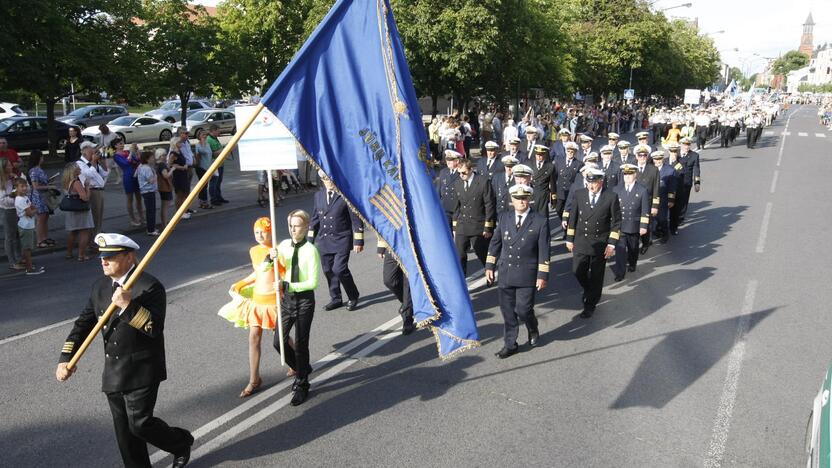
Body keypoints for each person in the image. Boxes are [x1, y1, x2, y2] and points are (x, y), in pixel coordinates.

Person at [55, 233, 194, 468]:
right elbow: (83, 325)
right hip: (114, 371)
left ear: (129, 257)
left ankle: (180, 443)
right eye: (102, 257)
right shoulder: (100, 288)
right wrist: (65, 357)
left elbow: (154, 328)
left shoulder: (149, 286)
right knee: (125, 434)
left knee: (139, 424)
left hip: (142, 368)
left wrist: (128, 306)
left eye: (110, 257)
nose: (103, 261)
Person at [219, 217, 295, 397]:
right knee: (254, 337)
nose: (260, 235)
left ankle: (297, 362)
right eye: (256, 232)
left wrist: (278, 260)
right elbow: (258, 272)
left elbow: (286, 273)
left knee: (282, 337)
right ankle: (254, 379)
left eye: (263, 231)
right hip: (258, 300)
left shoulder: (280, 251)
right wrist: (241, 282)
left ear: (271, 232)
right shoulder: (254, 251)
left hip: (275, 300)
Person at [485, 184, 549, 359]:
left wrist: (542, 275)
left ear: (529, 199)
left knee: (523, 309)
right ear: (511, 200)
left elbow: (544, 249)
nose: (521, 201)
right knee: (507, 311)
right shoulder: (504, 217)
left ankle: (532, 326)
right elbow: (495, 243)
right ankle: (510, 344)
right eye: (517, 198)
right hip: (506, 272)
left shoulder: (539, 221)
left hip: (527, 274)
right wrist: (490, 265)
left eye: (524, 198)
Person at [274, 209, 321, 406]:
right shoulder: (283, 245)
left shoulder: (310, 250)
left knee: (301, 344)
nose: (293, 229)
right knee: (278, 342)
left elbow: (313, 282)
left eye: (297, 225)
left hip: (304, 301)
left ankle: (302, 383)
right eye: (291, 225)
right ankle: (302, 368)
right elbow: (271, 268)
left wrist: (289, 285)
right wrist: (270, 259)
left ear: (306, 227)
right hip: (286, 301)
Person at [565, 168, 621, 318]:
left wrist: (611, 244)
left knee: (596, 275)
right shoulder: (579, 194)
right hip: (581, 240)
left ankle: (590, 304)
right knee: (577, 271)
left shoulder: (611, 197)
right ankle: (589, 290)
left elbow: (616, 223)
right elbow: (573, 218)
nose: (591, 186)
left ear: (600, 182)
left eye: (594, 183)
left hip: (600, 242)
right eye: (589, 182)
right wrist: (569, 239)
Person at [309, 171, 364, 311]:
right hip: (324, 240)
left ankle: (353, 296)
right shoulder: (318, 195)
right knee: (328, 270)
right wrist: (309, 240)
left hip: (341, 239)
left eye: (330, 178)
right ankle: (336, 298)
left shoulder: (345, 195)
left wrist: (358, 240)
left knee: (339, 269)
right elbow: (315, 219)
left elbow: (355, 219)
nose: (328, 181)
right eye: (324, 179)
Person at [452, 159, 496, 275]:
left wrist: (488, 227)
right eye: (459, 173)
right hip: (462, 224)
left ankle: (489, 271)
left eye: (464, 173)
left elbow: (489, 205)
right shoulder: (457, 183)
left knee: (482, 253)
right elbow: (457, 207)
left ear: (471, 170)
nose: (461, 175)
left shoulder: (482, 182)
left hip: (478, 225)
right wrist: (455, 228)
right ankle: (462, 280)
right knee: (459, 254)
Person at [611, 164, 649, 281]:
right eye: (625, 174)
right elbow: (612, 209)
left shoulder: (642, 190)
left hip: (633, 226)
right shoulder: (616, 189)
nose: (627, 176)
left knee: (633, 249)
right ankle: (620, 273)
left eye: (630, 174)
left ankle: (632, 263)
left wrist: (643, 226)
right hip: (620, 226)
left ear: (635, 175)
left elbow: (645, 210)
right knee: (620, 250)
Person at [377, 239, 415, 335]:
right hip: (392, 243)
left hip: (412, 244)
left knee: (408, 281)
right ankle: (409, 304)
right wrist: (381, 246)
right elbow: (386, 224)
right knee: (389, 281)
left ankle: (407, 316)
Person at [62, 163, 94, 261]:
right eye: (78, 168)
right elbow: (85, 198)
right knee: (84, 231)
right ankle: (81, 255)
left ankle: (69, 253)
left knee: (73, 232)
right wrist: (87, 187)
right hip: (80, 210)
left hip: (71, 210)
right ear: (74, 171)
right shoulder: (76, 182)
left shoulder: (66, 181)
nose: (80, 169)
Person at [77, 140, 108, 238]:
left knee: (99, 216)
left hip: (99, 191)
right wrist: (94, 161)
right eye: (92, 148)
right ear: (85, 150)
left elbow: (105, 173)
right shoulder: (80, 163)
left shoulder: (93, 162)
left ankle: (97, 236)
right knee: (94, 216)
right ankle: (93, 239)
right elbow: (88, 174)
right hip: (92, 192)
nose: (95, 150)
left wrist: (102, 161)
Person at [552, 141, 583, 235]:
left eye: (572, 151)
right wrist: (553, 191)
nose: (570, 153)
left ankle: (568, 231)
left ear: (575, 152)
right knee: (559, 210)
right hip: (560, 191)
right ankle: (565, 225)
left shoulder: (579, 164)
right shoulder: (559, 161)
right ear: (565, 151)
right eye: (568, 151)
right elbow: (554, 176)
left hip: (571, 193)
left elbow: (578, 180)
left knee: (570, 212)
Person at [633, 144, 659, 254]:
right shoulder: (631, 168)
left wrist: (655, 206)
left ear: (647, 156)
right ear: (636, 156)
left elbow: (656, 188)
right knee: (634, 223)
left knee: (646, 224)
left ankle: (645, 243)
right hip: (634, 202)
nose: (642, 157)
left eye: (644, 155)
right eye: (640, 155)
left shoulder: (653, 170)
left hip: (647, 202)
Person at [15, 178, 44, 275]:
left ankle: (29, 265)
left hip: (29, 225)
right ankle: (29, 268)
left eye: (25, 186)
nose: (24, 188)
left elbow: (32, 207)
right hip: (25, 226)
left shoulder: (25, 198)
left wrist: (33, 208)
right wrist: (35, 210)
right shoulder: (20, 200)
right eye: (21, 186)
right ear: (17, 188)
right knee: (27, 248)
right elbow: (30, 213)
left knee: (28, 247)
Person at [671, 137, 701, 233]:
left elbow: (696, 169)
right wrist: (674, 160)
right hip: (674, 181)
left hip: (685, 182)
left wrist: (697, 182)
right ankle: (673, 218)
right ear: (681, 145)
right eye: (684, 145)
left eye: (688, 145)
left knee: (683, 202)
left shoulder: (694, 155)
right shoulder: (675, 153)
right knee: (672, 201)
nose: (686, 147)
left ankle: (680, 218)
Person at [113, 140, 144, 227]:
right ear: (115, 146)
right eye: (120, 144)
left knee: (139, 197)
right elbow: (126, 163)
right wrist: (131, 153)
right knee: (130, 198)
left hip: (136, 175)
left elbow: (138, 160)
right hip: (128, 176)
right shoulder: (116, 155)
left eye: (122, 143)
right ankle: (132, 218)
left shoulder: (126, 152)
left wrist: (136, 151)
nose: (122, 145)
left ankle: (141, 216)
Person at [27, 150, 55, 248]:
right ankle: (39, 240)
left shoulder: (39, 169)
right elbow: (35, 186)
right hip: (38, 197)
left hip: (43, 196)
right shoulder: (34, 171)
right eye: (42, 157)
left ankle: (45, 237)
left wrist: (48, 182)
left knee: (45, 217)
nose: (43, 158)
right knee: (41, 219)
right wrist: (49, 187)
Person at [1, 159, 23, 270]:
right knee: (10, 236)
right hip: (7, 210)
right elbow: (2, 200)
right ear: (3, 168)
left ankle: (19, 258)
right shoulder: (1, 182)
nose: (11, 166)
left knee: (18, 235)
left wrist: (16, 181)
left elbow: (22, 187)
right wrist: (14, 196)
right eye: (9, 165)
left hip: (16, 209)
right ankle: (12, 262)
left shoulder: (12, 178)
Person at [652, 148, 677, 242]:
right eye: (655, 159)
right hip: (652, 199)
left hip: (663, 199)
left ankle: (665, 235)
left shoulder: (670, 170)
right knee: (653, 220)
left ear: (662, 159)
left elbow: (672, 187)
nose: (657, 161)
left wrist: (671, 200)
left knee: (662, 218)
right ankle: (655, 233)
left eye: (659, 159)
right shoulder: (650, 169)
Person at [436, 149, 461, 230]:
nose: (448, 162)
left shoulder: (462, 173)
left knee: (456, 233)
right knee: (446, 230)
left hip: (457, 208)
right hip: (445, 207)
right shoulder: (443, 172)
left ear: (457, 161)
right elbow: (439, 190)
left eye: (451, 160)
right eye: (447, 160)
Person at [135, 151, 159, 236]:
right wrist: (155, 176)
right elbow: (150, 180)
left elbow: (135, 175)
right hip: (149, 191)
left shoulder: (140, 167)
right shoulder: (147, 168)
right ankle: (151, 229)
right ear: (147, 159)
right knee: (151, 211)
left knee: (150, 210)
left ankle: (151, 227)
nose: (153, 159)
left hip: (145, 191)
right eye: (152, 158)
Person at [193, 129, 216, 210]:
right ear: (199, 136)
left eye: (205, 135)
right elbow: (200, 152)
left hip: (207, 167)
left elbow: (210, 154)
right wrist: (202, 142)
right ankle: (204, 202)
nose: (205, 136)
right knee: (204, 186)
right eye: (203, 135)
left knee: (204, 185)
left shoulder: (208, 144)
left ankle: (201, 202)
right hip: (201, 168)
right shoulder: (198, 145)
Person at [207, 125, 229, 204]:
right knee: (214, 182)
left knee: (218, 182)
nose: (219, 132)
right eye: (218, 130)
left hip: (220, 164)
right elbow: (213, 153)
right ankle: (213, 199)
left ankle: (219, 197)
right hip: (214, 165)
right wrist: (224, 150)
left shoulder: (214, 138)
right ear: (213, 131)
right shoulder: (209, 140)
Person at [168, 149, 191, 219]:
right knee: (179, 194)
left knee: (184, 193)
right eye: (179, 142)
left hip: (183, 175)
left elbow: (183, 161)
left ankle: (183, 211)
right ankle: (179, 213)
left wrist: (186, 164)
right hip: (177, 176)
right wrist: (181, 167)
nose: (180, 143)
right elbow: (169, 165)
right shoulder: (173, 154)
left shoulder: (180, 151)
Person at [155, 148, 174, 228]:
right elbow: (166, 176)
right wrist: (172, 169)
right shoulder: (162, 165)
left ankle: (164, 223)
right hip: (165, 187)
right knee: (165, 207)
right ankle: (165, 224)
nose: (166, 156)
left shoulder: (157, 164)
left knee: (164, 206)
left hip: (162, 187)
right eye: (164, 155)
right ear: (160, 156)